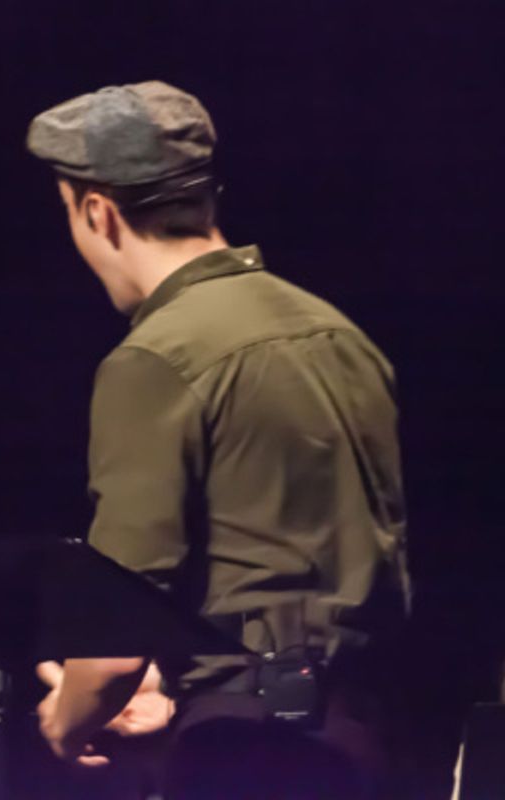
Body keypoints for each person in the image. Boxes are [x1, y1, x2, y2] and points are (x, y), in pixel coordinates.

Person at [24, 82, 410, 797]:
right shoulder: (338, 332)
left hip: (249, 748)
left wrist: (68, 719)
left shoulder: (157, 357)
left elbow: (113, 632)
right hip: (364, 738)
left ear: (98, 213)